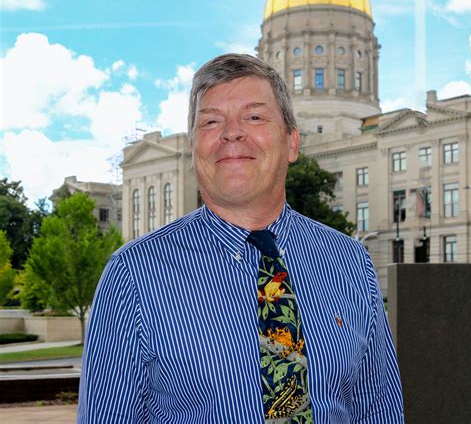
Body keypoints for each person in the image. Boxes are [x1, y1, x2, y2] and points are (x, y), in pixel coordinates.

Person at [78, 53, 404, 423]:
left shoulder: (350, 262)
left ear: (292, 142)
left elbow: (379, 411)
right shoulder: (133, 274)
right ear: (194, 149)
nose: (231, 132)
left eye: (254, 117)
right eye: (211, 121)